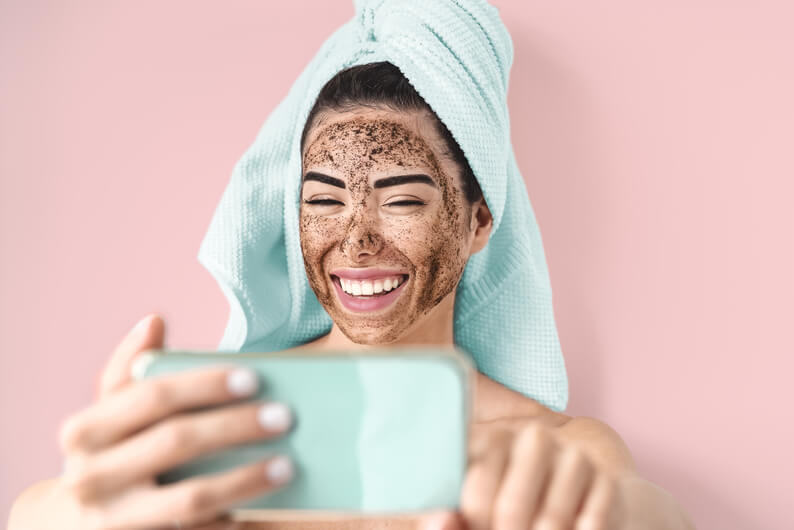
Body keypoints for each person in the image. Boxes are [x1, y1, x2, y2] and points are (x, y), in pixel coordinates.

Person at [8, 14, 696, 530]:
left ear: (480, 221)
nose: (356, 240)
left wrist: (610, 512)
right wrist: (79, 509)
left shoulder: (555, 456)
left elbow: (651, 515)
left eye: (401, 199)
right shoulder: (210, 433)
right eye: (323, 200)